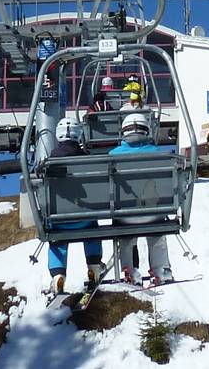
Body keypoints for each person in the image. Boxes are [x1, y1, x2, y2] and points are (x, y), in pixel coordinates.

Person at [110, 91, 174, 285]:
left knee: (126, 236)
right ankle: (161, 269)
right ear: (147, 130)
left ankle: (129, 269)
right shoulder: (158, 154)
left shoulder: (112, 156)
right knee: (157, 234)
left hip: (124, 214)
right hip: (154, 211)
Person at [46, 117, 105, 293]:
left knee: (57, 240)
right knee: (92, 230)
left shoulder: (50, 161)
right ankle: (94, 266)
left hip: (59, 220)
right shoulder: (86, 160)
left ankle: (58, 275)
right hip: (84, 218)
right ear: (78, 135)